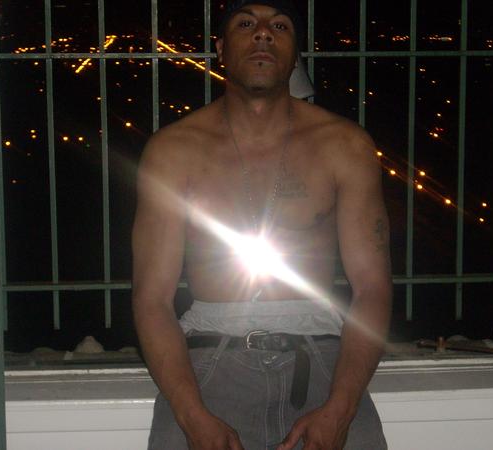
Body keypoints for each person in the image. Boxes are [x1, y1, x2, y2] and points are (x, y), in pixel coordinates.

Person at [132, 1, 392, 448]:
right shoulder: (174, 151)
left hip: (321, 357)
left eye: (280, 26)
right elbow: (151, 298)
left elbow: (373, 288)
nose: (263, 33)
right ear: (220, 49)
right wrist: (193, 417)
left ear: (295, 54)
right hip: (209, 359)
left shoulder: (345, 146)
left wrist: (340, 409)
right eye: (246, 23)